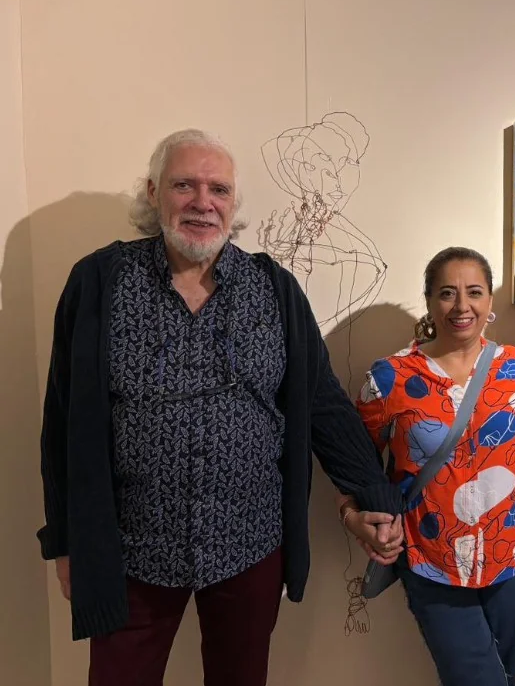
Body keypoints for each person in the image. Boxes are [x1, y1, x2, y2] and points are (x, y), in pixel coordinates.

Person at [36, 128, 403, 686]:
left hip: (248, 542)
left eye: (219, 189)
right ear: (154, 192)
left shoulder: (274, 289)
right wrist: (67, 542)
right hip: (132, 549)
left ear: (233, 204)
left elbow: (322, 404)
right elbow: (63, 420)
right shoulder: (100, 282)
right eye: (184, 185)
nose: (202, 202)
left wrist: (374, 495)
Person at [350, 246, 515, 686]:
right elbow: (356, 461)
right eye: (447, 293)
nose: (461, 306)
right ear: (430, 300)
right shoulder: (391, 378)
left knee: (506, 675)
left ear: (490, 301)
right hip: (432, 558)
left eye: (474, 292)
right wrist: (353, 514)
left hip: (512, 554)